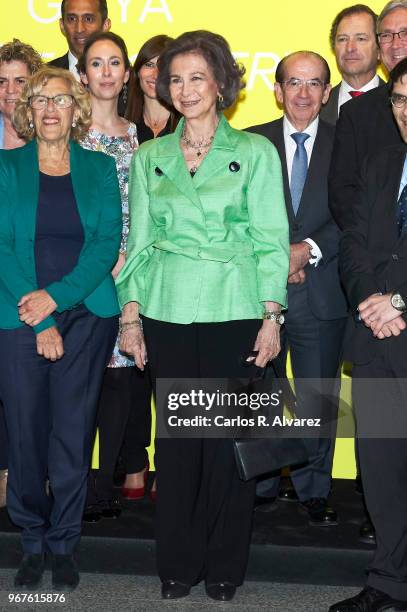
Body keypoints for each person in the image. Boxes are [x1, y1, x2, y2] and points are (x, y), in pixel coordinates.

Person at [116, 30, 289, 602]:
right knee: (179, 448)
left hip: (235, 310)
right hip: (166, 310)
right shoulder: (150, 155)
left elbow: (270, 240)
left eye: (196, 77)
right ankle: (177, 566)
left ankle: (223, 567)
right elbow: (139, 242)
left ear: (221, 83)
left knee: (226, 449)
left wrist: (272, 317)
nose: (185, 89)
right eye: (175, 79)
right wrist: (131, 316)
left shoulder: (257, 152)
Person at [0, 65, 122, 590]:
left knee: (73, 435)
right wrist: (42, 314)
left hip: (88, 316)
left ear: (77, 109)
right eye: (40, 100)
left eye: (61, 100)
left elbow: (105, 245)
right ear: (28, 111)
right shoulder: (5, 168)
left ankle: (65, 542)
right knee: (26, 435)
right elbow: (3, 248)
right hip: (18, 315)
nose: (50, 109)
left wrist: (57, 299)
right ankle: (31, 542)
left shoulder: (99, 168)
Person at [247, 51, 348, 526]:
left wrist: (306, 249)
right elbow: (235, 219)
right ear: (277, 89)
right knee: (260, 392)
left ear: (327, 93)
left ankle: (313, 489)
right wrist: (276, 260)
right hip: (256, 292)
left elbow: (357, 215)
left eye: (313, 85)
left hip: (322, 290)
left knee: (315, 395)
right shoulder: (250, 144)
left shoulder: (347, 143)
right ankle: (262, 483)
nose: (303, 94)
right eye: (293, 83)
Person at [329, 57, 407, 612]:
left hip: (399, 318)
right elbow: (353, 241)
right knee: (380, 471)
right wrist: (369, 302)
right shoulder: (381, 162)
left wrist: (399, 301)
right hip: (377, 340)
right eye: (400, 99)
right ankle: (388, 583)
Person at [76, 31, 140, 521]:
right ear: (83, 74)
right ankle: (73, 479)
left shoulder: (139, 136)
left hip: (132, 271)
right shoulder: (65, 135)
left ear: (126, 73)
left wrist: (129, 257)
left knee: (120, 382)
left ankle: (103, 485)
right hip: (82, 271)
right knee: (82, 379)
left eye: (114, 62)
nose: (105, 71)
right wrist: (100, 258)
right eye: (95, 63)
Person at [120, 34, 177, 502]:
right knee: (133, 373)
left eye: (165, 64)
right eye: (147, 64)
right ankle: (134, 462)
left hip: (178, 272)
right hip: (129, 266)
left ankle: (168, 464)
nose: (154, 73)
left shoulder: (193, 126)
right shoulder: (122, 126)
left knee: (171, 378)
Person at [0, 39, 43, 510]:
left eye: (19, 81)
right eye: (2, 81)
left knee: (27, 393)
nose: (10, 91)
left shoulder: (51, 140)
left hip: (34, 288)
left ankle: (23, 473)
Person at [329, 0, 407, 230]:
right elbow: (343, 195)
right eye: (386, 35)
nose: (396, 44)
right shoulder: (357, 112)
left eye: (404, 33)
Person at [321, 4, 382, 125]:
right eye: (342, 39)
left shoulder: (398, 102)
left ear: (380, 49)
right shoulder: (316, 106)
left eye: (361, 39)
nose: (350, 48)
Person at [125, 34, 177, 143]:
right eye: (149, 65)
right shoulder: (122, 126)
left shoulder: (188, 127)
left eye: (163, 67)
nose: (155, 75)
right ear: (138, 71)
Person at [50, 0, 110, 79]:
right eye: (72, 19)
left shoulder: (125, 78)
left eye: (88, 19)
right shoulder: (43, 75)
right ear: (62, 25)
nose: (79, 29)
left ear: (105, 25)